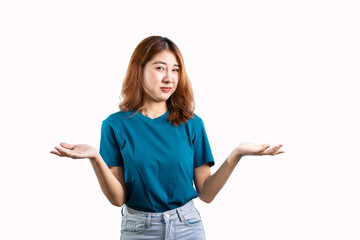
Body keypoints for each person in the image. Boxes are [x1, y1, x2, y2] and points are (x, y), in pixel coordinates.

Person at [51, 36, 284, 240]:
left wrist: (237, 154)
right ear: (139, 69)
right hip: (139, 229)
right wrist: (95, 158)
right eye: (160, 68)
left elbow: (206, 193)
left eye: (175, 69)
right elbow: (118, 198)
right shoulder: (115, 125)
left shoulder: (192, 123)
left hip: (188, 226)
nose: (169, 77)